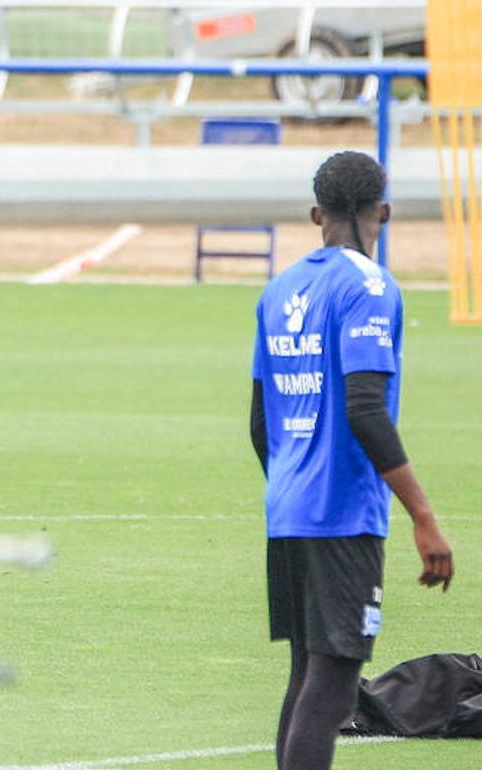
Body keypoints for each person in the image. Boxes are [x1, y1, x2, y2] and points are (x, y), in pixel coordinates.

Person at [250, 150, 455, 770]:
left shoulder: (279, 289)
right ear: (382, 213)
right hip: (340, 512)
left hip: (287, 509)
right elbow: (365, 407)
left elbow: (261, 424)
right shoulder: (369, 286)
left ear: (317, 214)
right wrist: (423, 515)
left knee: (307, 674)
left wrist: (291, 482)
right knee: (335, 685)